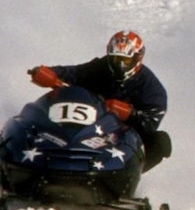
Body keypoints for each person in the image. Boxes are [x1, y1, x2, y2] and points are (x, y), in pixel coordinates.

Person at [27, 30, 171, 172]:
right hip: (84, 125)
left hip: (120, 136)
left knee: (161, 142)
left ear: (138, 58)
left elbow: (151, 122)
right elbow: (75, 73)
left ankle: (130, 175)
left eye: (125, 60)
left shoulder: (151, 87)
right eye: (116, 59)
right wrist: (49, 73)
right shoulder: (100, 67)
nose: (120, 65)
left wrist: (129, 113)